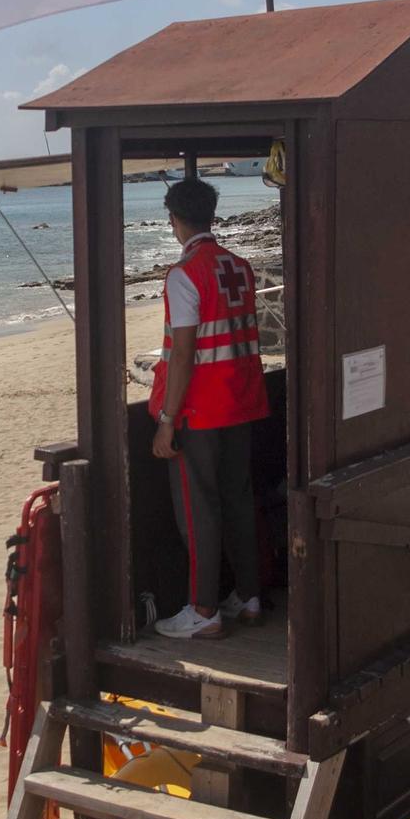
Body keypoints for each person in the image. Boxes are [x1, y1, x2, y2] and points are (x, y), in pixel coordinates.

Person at [149, 177, 269, 639]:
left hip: (201, 411)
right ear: (211, 216)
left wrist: (166, 420)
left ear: (175, 221)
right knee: (239, 500)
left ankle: (203, 609)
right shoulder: (239, 267)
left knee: (199, 510)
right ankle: (250, 596)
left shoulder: (184, 275)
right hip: (242, 402)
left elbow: (183, 354)